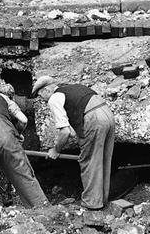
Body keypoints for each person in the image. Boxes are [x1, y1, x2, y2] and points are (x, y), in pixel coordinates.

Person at [32, 76, 115, 210]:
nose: (42, 100)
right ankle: (102, 200)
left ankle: (92, 204)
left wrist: (56, 150)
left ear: (46, 90)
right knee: (104, 158)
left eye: (41, 96)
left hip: (93, 119)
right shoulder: (74, 89)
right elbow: (71, 129)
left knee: (89, 161)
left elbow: (65, 132)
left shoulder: (54, 98)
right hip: (107, 115)